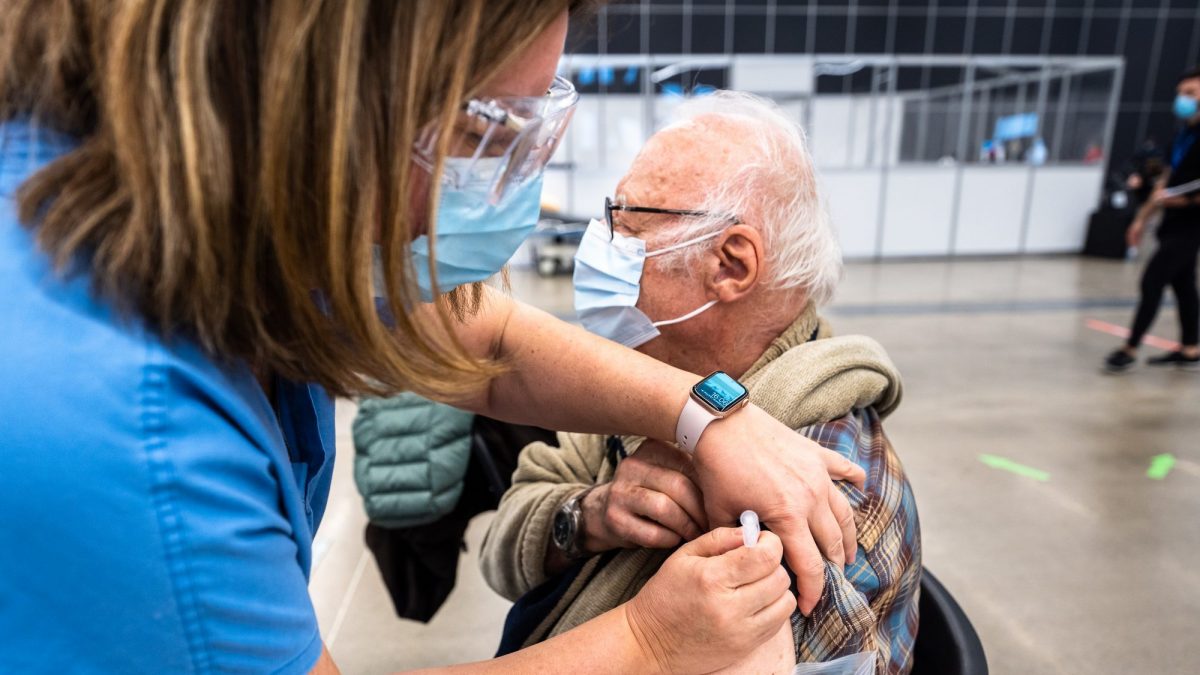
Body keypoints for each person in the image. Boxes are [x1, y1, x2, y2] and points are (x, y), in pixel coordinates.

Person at [0, 3, 871, 674]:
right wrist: (643, 639)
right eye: (477, 134)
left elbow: (477, 343)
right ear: (321, 104)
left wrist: (703, 415)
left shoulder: (225, 204)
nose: (501, 192)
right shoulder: (123, 425)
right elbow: (521, 523)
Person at [480, 92, 922, 674]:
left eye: (629, 225)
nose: (603, 246)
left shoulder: (811, 496)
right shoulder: (647, 381)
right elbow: (502, 549)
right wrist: (587, 516)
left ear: (732, 265)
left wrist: (649, 640)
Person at [1106, 66, 1200, 373]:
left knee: (1152, 281)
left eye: (1190, 93)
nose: (1183, 99)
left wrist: (1183, 199)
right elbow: (1165, 183)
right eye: (1181, 93)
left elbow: (1182, 191)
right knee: (1184, 285)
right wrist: (1140, 220)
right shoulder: (1182, 137)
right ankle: (1190, 349)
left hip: (1191, 227)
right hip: (1172, 223)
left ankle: (1129, 348)